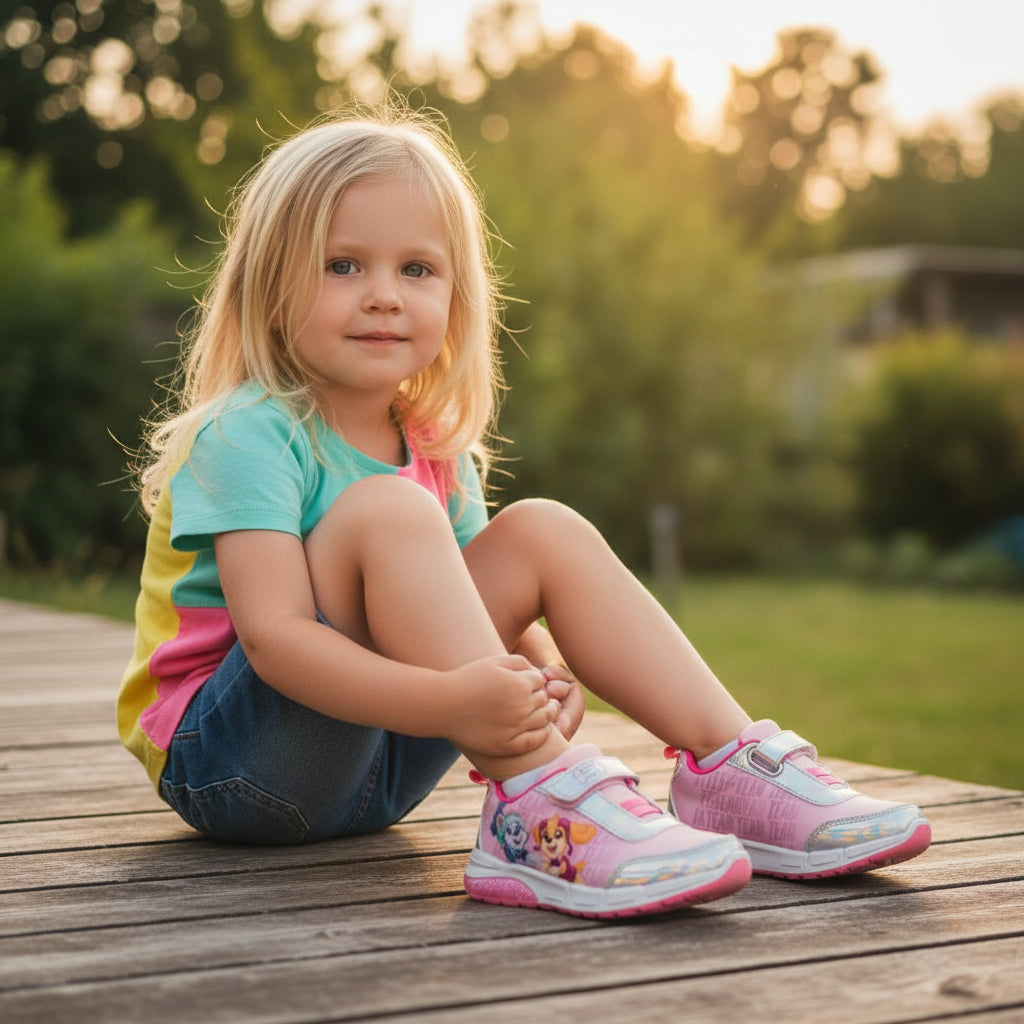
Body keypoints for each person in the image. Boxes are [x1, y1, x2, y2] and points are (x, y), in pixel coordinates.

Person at [117, 104, 931, 920]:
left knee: (541, 526)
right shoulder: (250, 431)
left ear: (456, 294)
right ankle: (547, 799)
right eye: (342, 266)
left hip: (378, 774)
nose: (384, 298)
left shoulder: (431, 443)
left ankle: (731, 772)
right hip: (236, 768)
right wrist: (457, 705)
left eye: (417, 270)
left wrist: (543, 671)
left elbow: (481, 612)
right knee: (391, 516)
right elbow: (277, 642)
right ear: (268, 285)